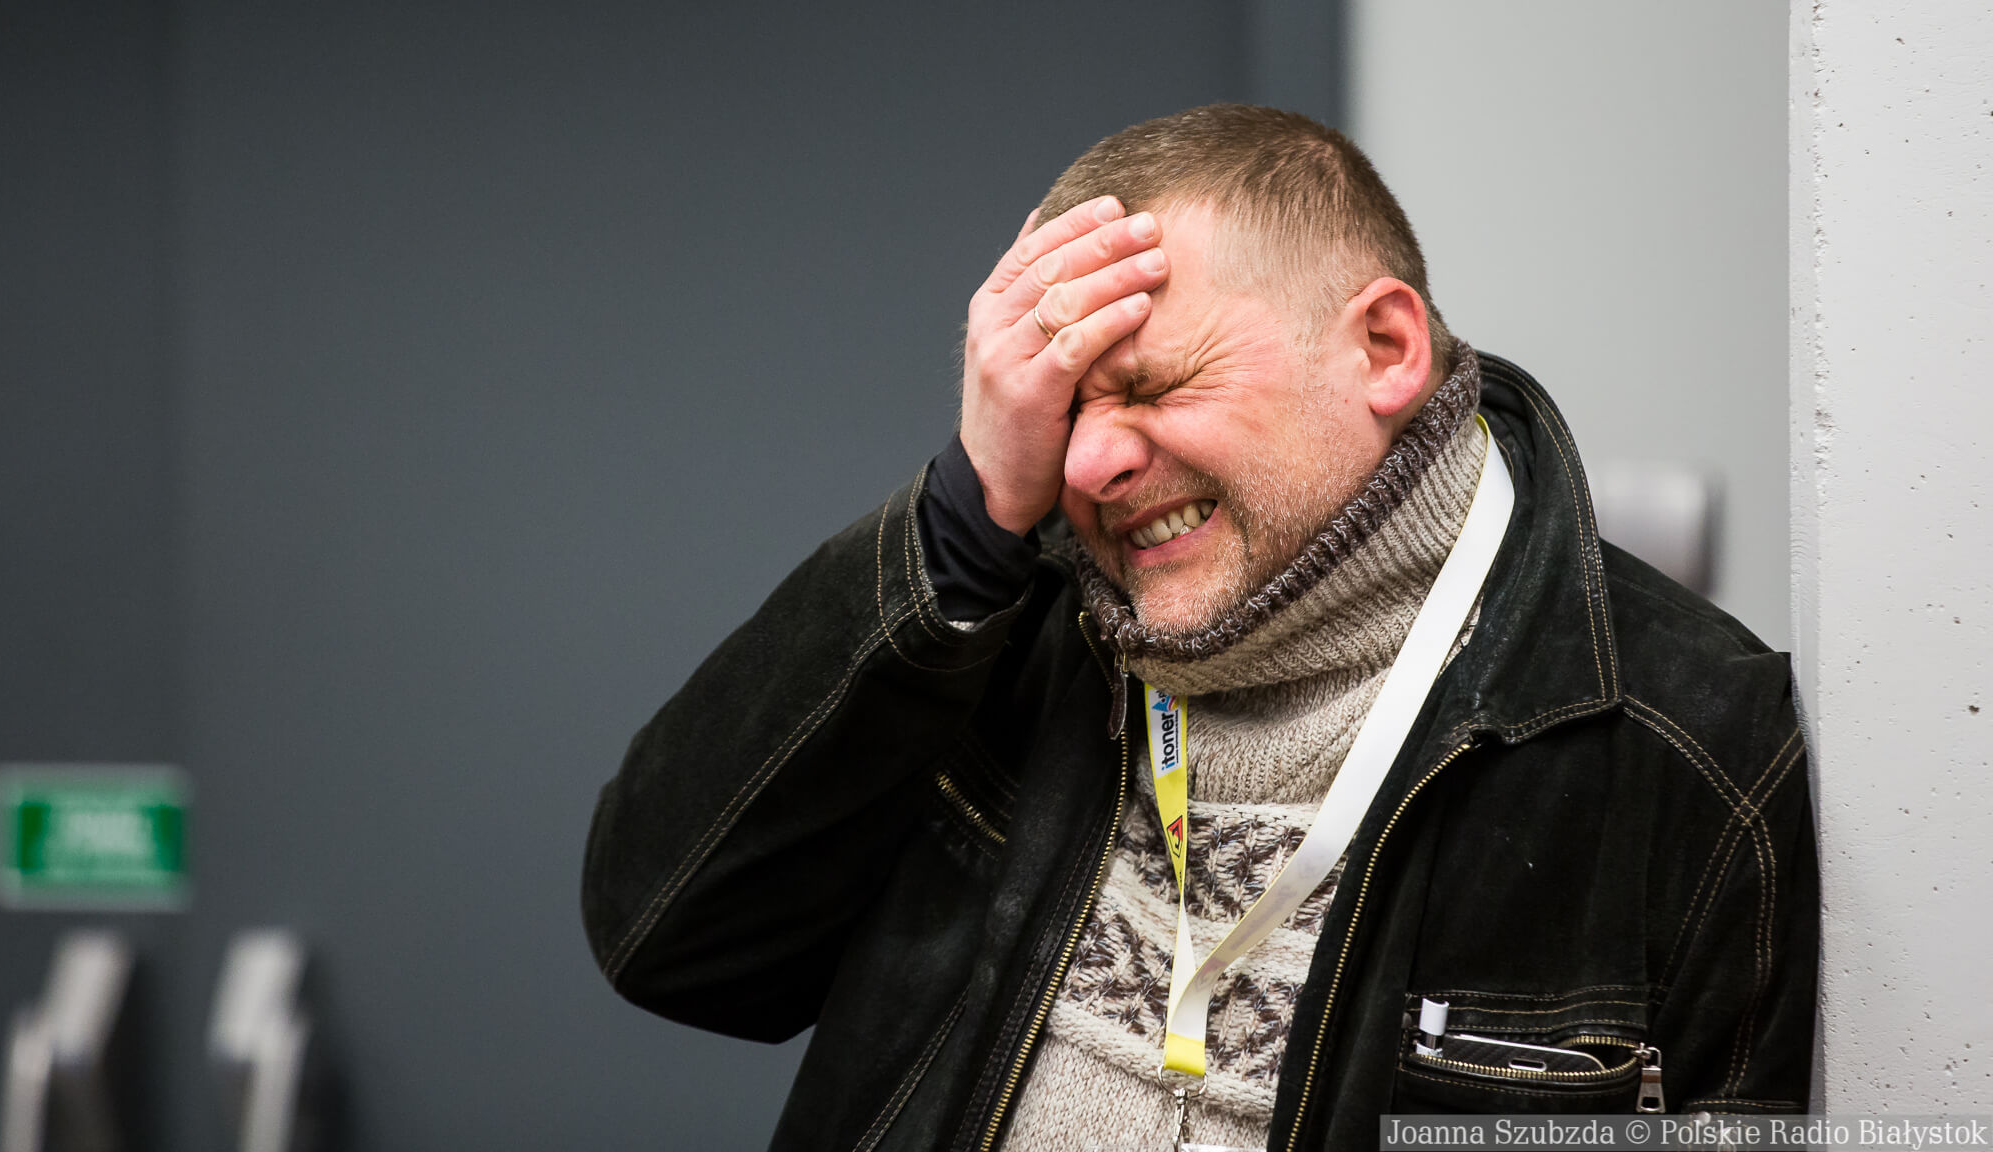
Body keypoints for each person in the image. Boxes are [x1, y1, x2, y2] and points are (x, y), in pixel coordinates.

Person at [581, 105, 1817, 1151]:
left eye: (1152, 386)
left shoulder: (1691, 746)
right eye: (1064, 408)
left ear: (1381, 346)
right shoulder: (1008, 622)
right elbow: (674, 946)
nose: (1090, 464)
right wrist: (964, 515)